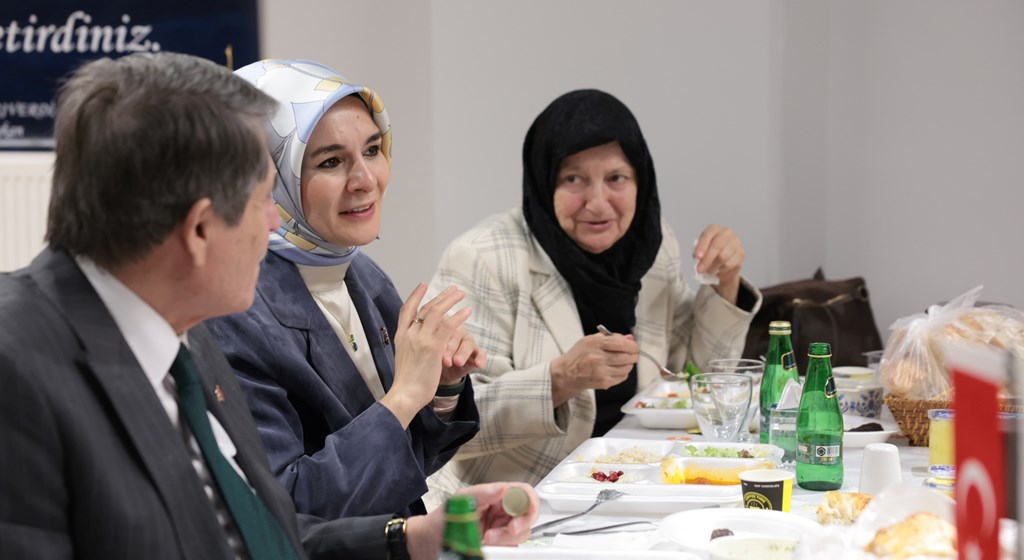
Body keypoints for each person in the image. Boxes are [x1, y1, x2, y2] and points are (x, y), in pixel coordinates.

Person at [0, 52, 536, 560]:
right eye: (264, 199)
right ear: (200, 229)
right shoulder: (18, 370)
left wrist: (409, 540)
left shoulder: (180, 338)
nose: (277, 222)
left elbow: (256, 524)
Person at [424, 89, 762, 498]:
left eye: (616, 178)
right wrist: (560, 379)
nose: (598, 203)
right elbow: (446, 424)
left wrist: (725, 281)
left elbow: (696, 376)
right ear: (544, 180)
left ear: (641, 179)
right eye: (573, 179)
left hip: (632, 480)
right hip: (514, 496)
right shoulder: (483, 257)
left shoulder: (652, 247)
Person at [205, 59, 483, 521]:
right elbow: (287, 506)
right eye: (331, 162)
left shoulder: (362, 274)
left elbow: (404, 465)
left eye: (373, 150)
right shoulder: (234, 311)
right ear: (268, 179)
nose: (366, 180)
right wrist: (404, 396)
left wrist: (443, 386)